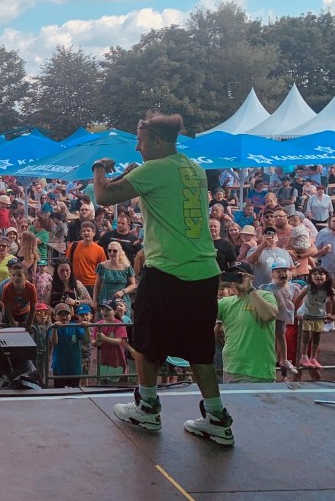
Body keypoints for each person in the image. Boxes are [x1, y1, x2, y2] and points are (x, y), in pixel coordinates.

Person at [93, 111, 232, 446]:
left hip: (168, 270)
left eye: (140, 140)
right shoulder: (193, 168)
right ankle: (217, 418)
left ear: (156, 139)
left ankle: (148, 409)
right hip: (204, 272)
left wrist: (99, 167)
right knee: (199, 348)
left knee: (145, 342)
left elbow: (104, 196)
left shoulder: (154, 168)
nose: (138, 148)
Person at [214, 262, 278, 383]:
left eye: (241, 275)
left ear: (251, 277)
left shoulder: (265, 295)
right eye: (233, 276)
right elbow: (202, 311)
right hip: (232, 368)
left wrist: (250, 289)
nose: (237, 279)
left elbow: (269, 315)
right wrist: (215, 284)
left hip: (260, 370)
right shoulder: (225, 303)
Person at [258, 258, 301, 378]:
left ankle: (283, 361)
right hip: (270, 317)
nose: (283, 273)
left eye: (285, 271)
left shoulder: (294, 287)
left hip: (281, 317)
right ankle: (275, 361)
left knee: (280, 337)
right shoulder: (267, 287)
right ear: (272, 274)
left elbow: (300, 300)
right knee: (272, 339)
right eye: (279, 271)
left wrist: (300, 311)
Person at [293, 266, 334, 370]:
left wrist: (329, 313)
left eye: (321, 274)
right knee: (306, 336)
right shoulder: (308, 288)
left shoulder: (328, 290)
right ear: (311, 277)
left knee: (317, 337)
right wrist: (294, 312)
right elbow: (299, 298)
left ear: (327, 278)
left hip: (319, 315)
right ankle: (303, 357)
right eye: (315, 274)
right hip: (306, 314)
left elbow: (330, 302)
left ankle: (313, 358)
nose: (318, 276)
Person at [91, 299, 129, 385]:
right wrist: (97, 342)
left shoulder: (119, 324)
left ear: (115, 311)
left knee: (112, 385)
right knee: (100, 383)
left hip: (116, 360)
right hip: (101, 360)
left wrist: (104, 338)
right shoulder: (97, 324)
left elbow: (119, 341)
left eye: (108, 309)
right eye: (103, 309)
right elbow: (93, 341)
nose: (104, 312)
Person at [48, 304, 85, 388]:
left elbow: (86, 340)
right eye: (61, 314)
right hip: (60, 367)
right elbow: (54, 342)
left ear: (70, 315)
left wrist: (86, 328)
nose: (64, 316)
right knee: (59, 392)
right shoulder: (53, 328)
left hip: (74, 367)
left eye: (66, 314)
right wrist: (54, 329)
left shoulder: (76, 326)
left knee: (75, 392)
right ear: (55, 317)